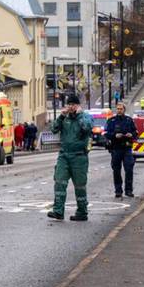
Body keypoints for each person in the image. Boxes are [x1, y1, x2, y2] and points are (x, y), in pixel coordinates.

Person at [48, 94, 93, 222]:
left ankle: (82, 212)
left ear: (78, 105)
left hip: (79, 156)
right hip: (64, 155)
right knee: (59, 182)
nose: (71, 107)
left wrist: (78, 116)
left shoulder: (85, 117)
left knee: (79, 185)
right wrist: (61, 116)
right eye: (69, 104)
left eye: (73, 104)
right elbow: (53, 129)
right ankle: (58, 211)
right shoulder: (65, 118)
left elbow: (86, 128)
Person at [104, 102, 136, 198]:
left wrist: (132, 135)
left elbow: (135, 132)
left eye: (121, 109)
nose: (119, 110)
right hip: (116, 148)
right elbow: (106, 133)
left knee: (129, 169)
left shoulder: (129, 120)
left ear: (124, 110)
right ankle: (118, 191)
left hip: (127, 148)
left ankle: (128, 190)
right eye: (117, 109)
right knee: (116, 170)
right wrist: (114, 135)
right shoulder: (111, 121)